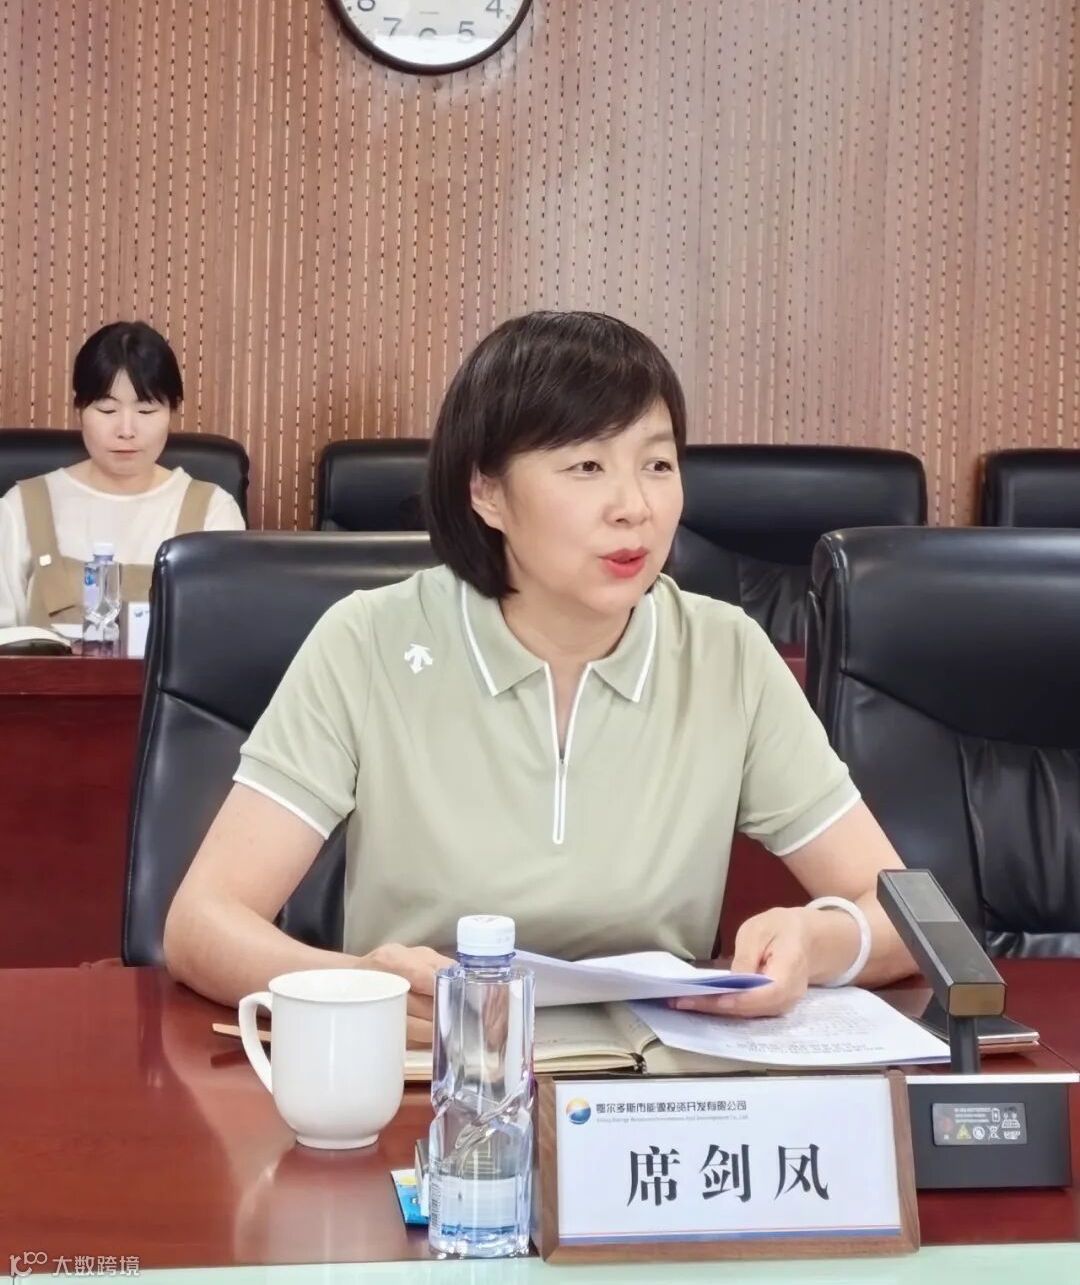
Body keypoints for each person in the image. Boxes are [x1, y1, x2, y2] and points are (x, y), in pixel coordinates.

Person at [164, 310, 916, 1045]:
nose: (635, 508)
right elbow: (203, 923)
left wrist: (818, 939)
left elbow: (908, 918)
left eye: (657, 464)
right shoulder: (369, 641)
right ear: (487, 491)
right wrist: (360, 988)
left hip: (653, 1087)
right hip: (430, 1075)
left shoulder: (727, 656)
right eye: (587, 466)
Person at [0, 321, 245, 629]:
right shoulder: (21, 508)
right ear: (79, 409)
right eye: (107, 410)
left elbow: (227, 634)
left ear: (172, 411)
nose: (126, 431)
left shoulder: (213, 512)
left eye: (146, 411)